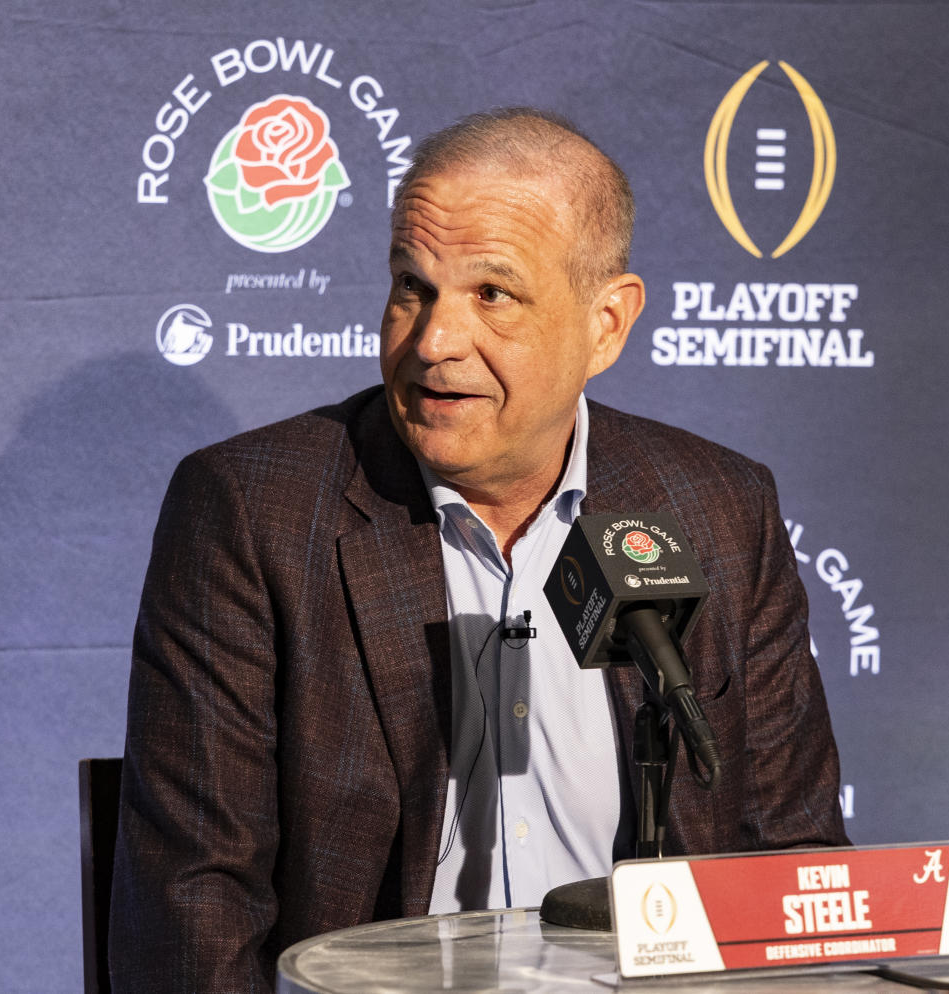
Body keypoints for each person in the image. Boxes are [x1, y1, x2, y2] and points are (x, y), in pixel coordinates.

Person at [109, 108, 848, 992]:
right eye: (411, 287)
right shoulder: (253, 510)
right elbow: (193, 898)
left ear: (606, 324)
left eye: (491, 295)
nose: (432, 342)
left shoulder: (720, 509)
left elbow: (794, 864)